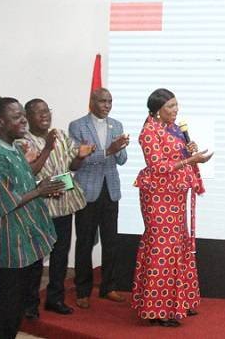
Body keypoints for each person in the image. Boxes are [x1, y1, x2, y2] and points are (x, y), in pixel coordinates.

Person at [131, 88, 212, 327]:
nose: (176, 110)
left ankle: (179, 302)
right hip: (157, 196)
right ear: (158, 110)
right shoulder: (148, 132)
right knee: (161, 247)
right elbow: (157, 166)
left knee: (177, 245)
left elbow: (175, 158)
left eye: (176, 105)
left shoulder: (173, 129)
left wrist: (188, 150)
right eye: (170, 106)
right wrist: (190, 160)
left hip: (174, 195)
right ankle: (157, 310)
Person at [0, 97, 64, 339]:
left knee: (16, 305)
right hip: (9, 244)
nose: (23, 121)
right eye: (16, 117)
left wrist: (42, 187)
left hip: (23, 241)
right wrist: (39, 191)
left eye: (22, 115)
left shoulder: (12, 147)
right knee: (4, 306)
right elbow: (5, 201)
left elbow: (22, 180)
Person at [21, 99, 95, 318]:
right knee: (36, 259)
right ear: (27, 116)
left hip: (63, 205)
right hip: (39, 208)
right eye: (38, 112)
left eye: (47, 111)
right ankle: (30, 305)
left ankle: (55, 299)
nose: (45, 115)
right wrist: (46, 148)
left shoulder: (61, 135)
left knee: (60, 255)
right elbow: (28, 173)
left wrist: (80, 156)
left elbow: (72, 165)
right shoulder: (22, 142)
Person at [68, 88, 130, 308]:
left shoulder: (116, 125)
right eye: (103, 101)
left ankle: (109, 287)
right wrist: (108, 151)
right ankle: (83, 290)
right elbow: (79, 159)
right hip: (87, 191)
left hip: (110, 190)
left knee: (111, 241)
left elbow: (122, 160)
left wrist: (119, 148)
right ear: (92, 102)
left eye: (110, 101)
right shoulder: (78, 126)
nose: (107, 105)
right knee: (85, 241)